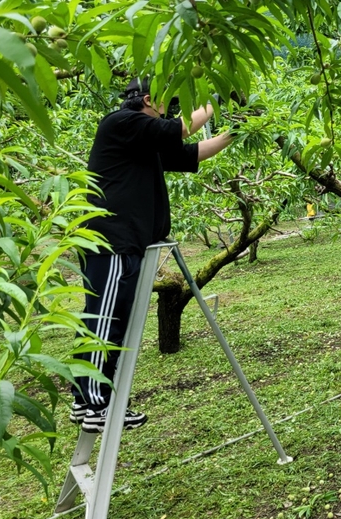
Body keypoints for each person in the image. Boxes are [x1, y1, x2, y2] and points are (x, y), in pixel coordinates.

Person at [71, 77, 234, 434]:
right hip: (112, 240)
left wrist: (238, 132)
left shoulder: (142, 141)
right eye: (167, 102)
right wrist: (215, 98)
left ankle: (90, 398)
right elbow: (180, 128)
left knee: (108, 318)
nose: (172, 109)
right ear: (148, 100)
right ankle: (96, 402)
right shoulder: (121, 122)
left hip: (125, 243)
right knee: (106, 320)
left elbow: (191, 152)